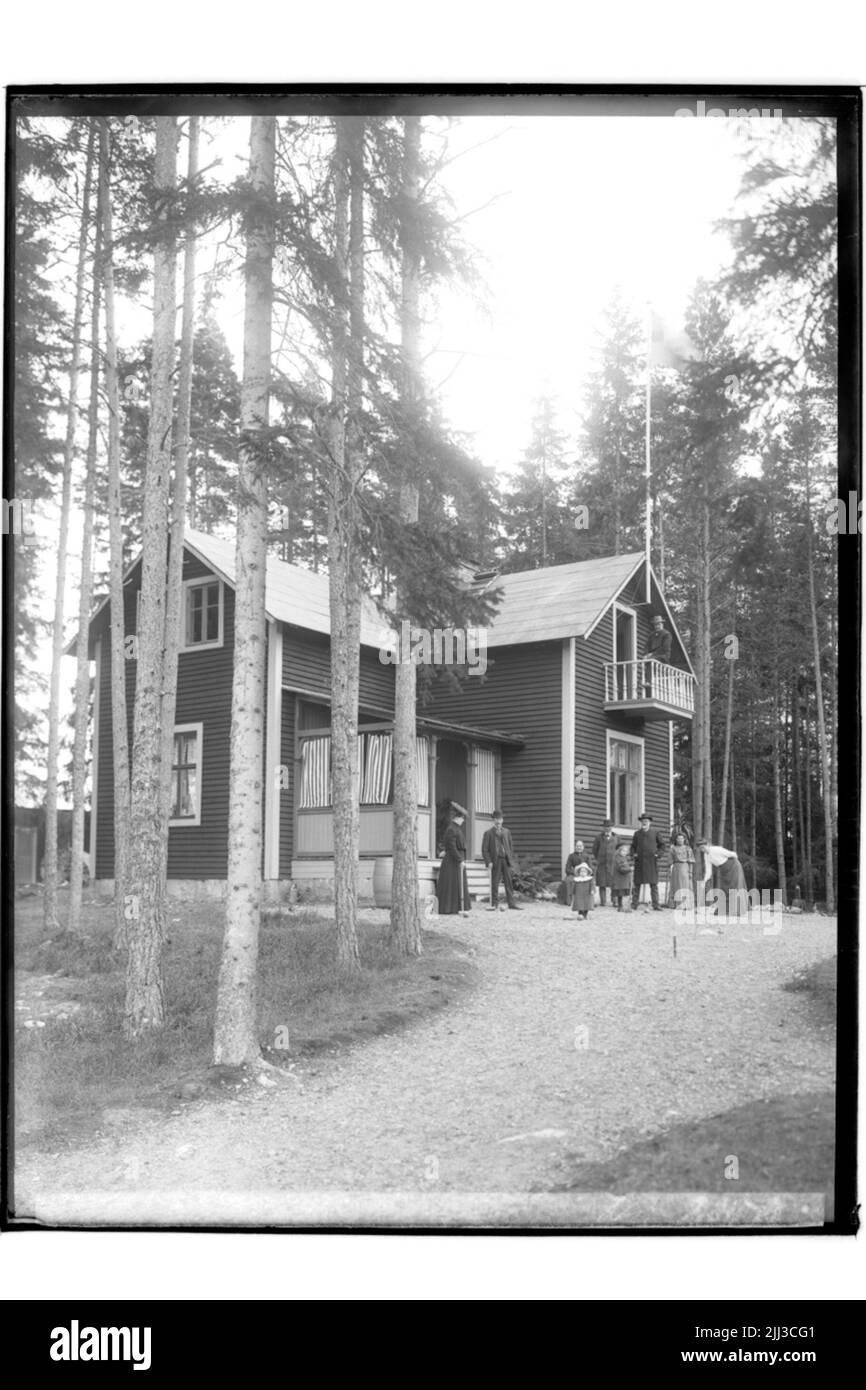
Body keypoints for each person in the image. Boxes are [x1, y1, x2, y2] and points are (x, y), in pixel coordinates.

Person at [695, 839, 749, 923]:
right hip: (724, 870)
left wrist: (735, 865)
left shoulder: (716, 849)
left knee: (734, 888)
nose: (703, 850)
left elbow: (733, 854)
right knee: (726, 889)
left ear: (707, 845)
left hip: (733, 867)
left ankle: (738, 910)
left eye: (703, 847)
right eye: (701, 849)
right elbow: (708, 871)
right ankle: (727, 909)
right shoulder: (706, 856)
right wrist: (704, 881)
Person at [481, 810, 520, 911]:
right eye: (496, 819)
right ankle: (494, 903)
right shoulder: (488, 833)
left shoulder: (507, 832)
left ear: (502, 820)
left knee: (509, 882)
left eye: (500, 819)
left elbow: (510, 846)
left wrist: (510, 857)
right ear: (493, 820)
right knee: (495, 882)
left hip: (505, 860)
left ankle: (511, 903)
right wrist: (488, 861)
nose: (498, 821)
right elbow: (484, 850)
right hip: (495, 860)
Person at [436, 805, 470, 917]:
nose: (463, 821)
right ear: (458, 818)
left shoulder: (456, 828)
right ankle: (448, 907)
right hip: (452, 861)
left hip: (455, 859)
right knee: (451, 884)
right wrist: (460, 860)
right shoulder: (451, 829)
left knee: (457, 883)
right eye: (462, 818)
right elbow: (451, 846)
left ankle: (457, 907)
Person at [631, 812, 664, 910]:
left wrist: (658, 854)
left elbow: (662, 845)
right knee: (637, 884)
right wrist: (633, 854)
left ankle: (656, 904)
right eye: (643, 821)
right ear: (641, 823)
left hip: (651, 862)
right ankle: (634, 904)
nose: (644, 823)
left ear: (650, 822)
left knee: (653, 884)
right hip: (639, 862)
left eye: (646, 821)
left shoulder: (655, 833)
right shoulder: (637, 834)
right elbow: (633, 846)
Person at [591, 818, 617, 906]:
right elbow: (594, 850)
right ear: (603, 828)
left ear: (612, 827)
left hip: (612, 864)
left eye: (609, 826)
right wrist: (599, 858)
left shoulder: (616, 837)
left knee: (613, 883)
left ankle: (614, 901)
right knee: (602, 883)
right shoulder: (598, 837)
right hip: (601, 863)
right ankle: (603, 901)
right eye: (605, 827)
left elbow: (619, 849)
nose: (607, 828)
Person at [668, 832, 696, 911]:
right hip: (676, 868)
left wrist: (690, 872)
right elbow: (670, 861)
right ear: (676, 840)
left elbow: (691, 861)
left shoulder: (688, 848)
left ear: (684, 839)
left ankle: (687, 905)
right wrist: (669, 870)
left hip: (685, 867)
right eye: (678, 838)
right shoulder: (673, 848)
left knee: (686, 885)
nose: (680, 840)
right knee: (676, 885)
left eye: (681, 838)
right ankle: (677, 904)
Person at [568, 842, 595, 920]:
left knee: (587, 902)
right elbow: (568, 867)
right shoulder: (571, 856)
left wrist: (592, 890)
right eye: (577, 846)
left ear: (583, 847)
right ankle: (578, 911)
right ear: (575, 847)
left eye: (580, 846)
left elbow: (590, 867)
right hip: (576, 875)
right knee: (569, 881)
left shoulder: (586, 856)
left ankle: (585, 914)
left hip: (586, 879)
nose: (579, 847)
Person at [611, 841, 633, 911]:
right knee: (620, 894)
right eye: (623, 851)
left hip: (624, 880)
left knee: (622, 894)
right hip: (620, 880)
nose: (625, 852)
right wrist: (630, 869)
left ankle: (623, 906)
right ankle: (620, 906)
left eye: (626, 851)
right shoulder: (618, 858)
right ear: (619, 851)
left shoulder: (624, 858)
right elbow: (621, 869)